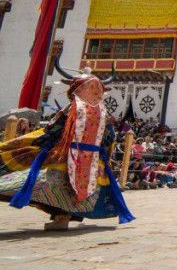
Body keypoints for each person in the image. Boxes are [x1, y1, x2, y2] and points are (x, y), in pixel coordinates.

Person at [0, 62, 134, 230]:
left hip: (66, 155)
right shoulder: (104, 114)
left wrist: (41, 142)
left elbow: (54, 131)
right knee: (74, 189)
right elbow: (108, 140)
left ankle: (60, 216)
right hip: (92, 161)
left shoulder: (72, 108)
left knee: (45, 177)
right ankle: (63, 216)